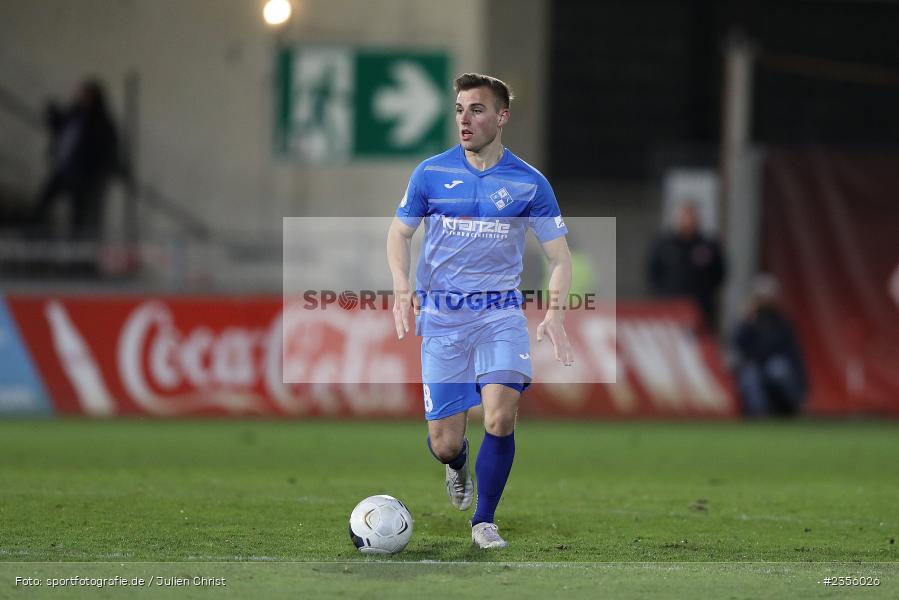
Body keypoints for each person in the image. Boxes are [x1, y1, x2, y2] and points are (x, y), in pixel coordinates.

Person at [386, 73, 573, 549]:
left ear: (502, 116)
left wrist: (555, 314)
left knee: (499, 417)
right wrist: (402, 286)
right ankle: (457, 462)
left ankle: (484, 520)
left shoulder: (529, 183)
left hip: (499, 315)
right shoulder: (430, 173)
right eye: (459, 110)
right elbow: (399, 233)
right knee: (444, 442)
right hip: (444, 318)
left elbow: (560, 257)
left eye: (476, 110)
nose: (464, 120)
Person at [31, 79, 119, 241]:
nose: (81, 97)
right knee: (44, 201)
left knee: (77, 211)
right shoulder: (75, 113)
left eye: (85, 94)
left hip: (81, 173)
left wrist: (92, 171)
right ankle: (33, 233)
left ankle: (75, 243)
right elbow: (61, 128)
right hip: (63, 167)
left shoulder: (100, 121)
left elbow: (104, 149)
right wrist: (53, 116)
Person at [733, 274, 808, 416]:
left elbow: (775, 347)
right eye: (760, 297)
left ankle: (793, 408)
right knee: (750, 375)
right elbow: (739, 343)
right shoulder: (750, 320)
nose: (763, 301)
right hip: (757, 365)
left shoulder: (781, 321)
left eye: (766, 297)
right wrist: (746, 322)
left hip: (777, 365)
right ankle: (761, 414)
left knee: (777, 369)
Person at [647, 201, 726, 332]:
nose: (688, 220)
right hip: (670, 308)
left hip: (700, 310)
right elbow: (653, 273)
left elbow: (719, 275)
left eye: (692, 216)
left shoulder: (708, 245)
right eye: (684, 216)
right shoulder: (663, 244)